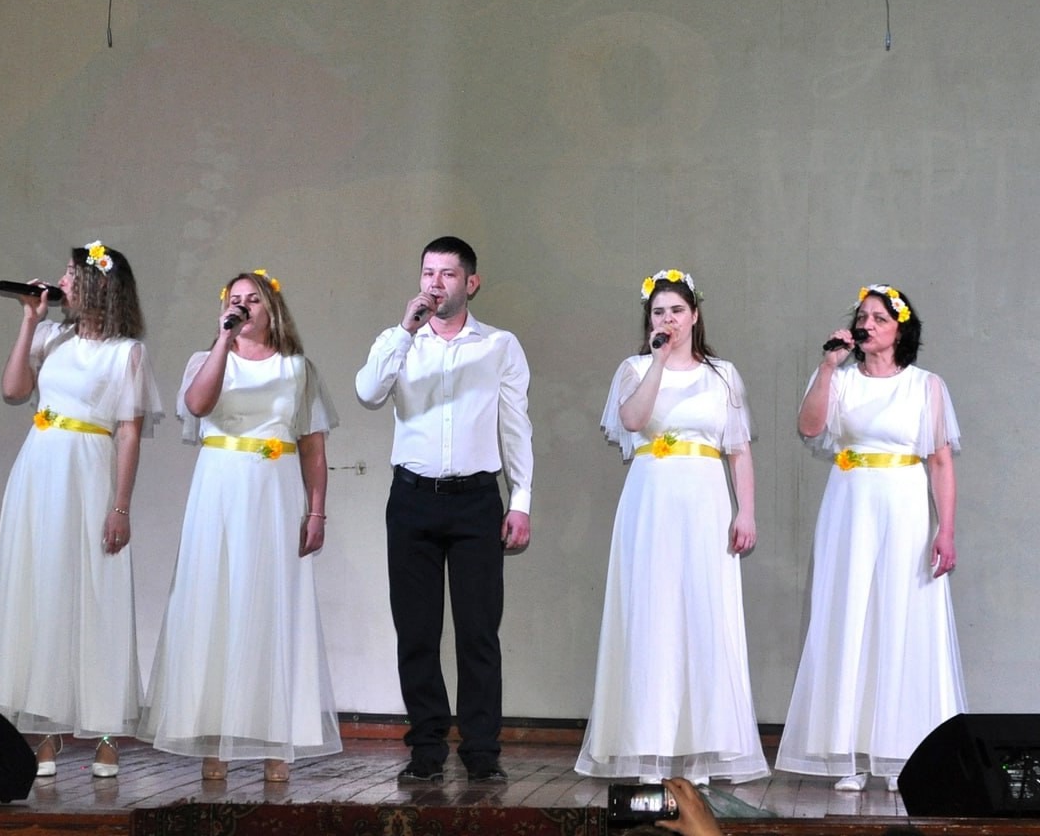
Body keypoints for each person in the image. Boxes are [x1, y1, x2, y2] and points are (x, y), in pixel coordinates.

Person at [140, 269, 340, 782]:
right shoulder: (208, 359)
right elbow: (197, 405)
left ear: (272, 308)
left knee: (273, 607)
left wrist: (317, 510)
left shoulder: (297, 368)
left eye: (253, 299)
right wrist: (222, 342)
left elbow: (313, 449)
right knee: (217, 604)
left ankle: (277, 742)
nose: (244, 305)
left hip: (274, 494)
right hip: (220, 491)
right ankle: (216, 739)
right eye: (235, 299)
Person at [0, 240, 162, 779]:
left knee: (96, 593)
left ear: (98, 285)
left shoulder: (126, 353)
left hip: (89, 471)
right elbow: (14, 390)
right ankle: (46, 726)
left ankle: (105, 730)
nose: (60, 283)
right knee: (44, 590)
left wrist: (120, 506)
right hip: (40, 468)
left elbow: (129, 433)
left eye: (70, 275)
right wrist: (28, 322)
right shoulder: (50, 337)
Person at [575, 269, 767, 785]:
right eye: (659, 312)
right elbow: (633, 421)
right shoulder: (635, 368)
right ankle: (649, 749)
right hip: (652, 501)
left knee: (704, 616)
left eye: (677, 311)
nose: (668, 319)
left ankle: (702, 752)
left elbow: (738, 450)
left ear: (695, 315)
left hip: (705, 502)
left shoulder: (723, 374)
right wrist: (658, 361)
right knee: (652, 615)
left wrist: (745, 511)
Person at [355, 236, 533, 784]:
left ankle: (481, 750)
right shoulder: (398, 341)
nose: (435, 284)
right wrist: (404, 332)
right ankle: (426, 747)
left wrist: (521, 501)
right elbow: (368, 392)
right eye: (428, 273)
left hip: (476, 500)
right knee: (417, 631)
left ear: (470, 283)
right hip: (412, 499)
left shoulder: (499, 345)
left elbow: (515, 426)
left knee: (479, 632)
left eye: (448, 274)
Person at [776, 283, 965, 792]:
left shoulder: (926, 386)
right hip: (850, 505)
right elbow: (809, 427)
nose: (868, 325)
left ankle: (903, 751)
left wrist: (946, 530)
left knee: (901, 616)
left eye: (879, 318)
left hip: (905, 507)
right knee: (849, 615)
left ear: (900, 329)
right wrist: (827, 367)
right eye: (862, 317)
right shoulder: (840, 379)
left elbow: (940, 463)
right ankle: (848, 753)